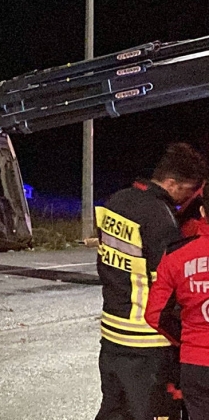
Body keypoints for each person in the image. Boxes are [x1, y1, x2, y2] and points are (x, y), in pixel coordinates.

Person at [94, 143, 208, 420]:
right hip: (147, 342)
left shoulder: (116, 201)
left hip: (112, 334)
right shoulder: (159, 216)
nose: (187, 200)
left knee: (115, 411)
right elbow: (171, 283)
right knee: (156, 412)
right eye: (187, 191)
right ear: (171, 182)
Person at [146, 182, 209, 420]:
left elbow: (155, 315)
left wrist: (187, 340)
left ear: (202, 211)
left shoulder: (176, 254)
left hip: (195, 365)